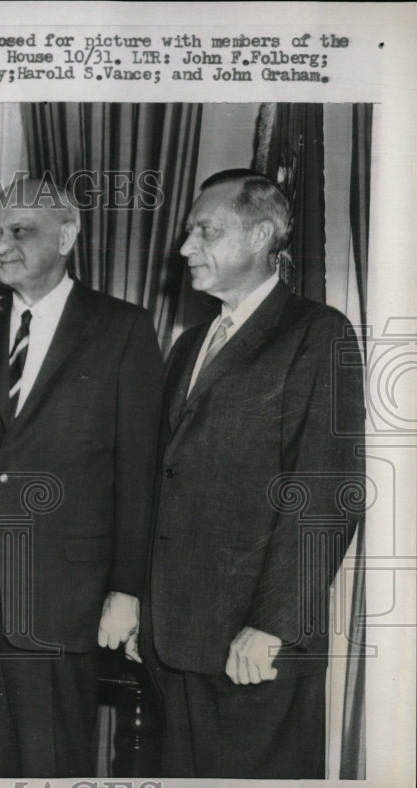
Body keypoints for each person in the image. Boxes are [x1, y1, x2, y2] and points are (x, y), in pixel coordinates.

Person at [0, 178, 164, 777]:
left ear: (67, 236)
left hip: (64, 602)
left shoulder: (121, 329)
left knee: (52, 766)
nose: (2, 245)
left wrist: (127, 590)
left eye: (20, 231)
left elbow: (139, 474)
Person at [144, 169, 366, 778]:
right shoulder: (190, 343)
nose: (186, 247)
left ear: (261, 234)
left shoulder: (317, 334)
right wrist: (147, 607)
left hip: (254, 645)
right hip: (179, 641)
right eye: (189, 232)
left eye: (205, 232)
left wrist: (272, 625)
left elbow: (326, 493)